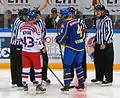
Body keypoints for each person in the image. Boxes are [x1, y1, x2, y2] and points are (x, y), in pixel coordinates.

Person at [55, 8, 85, 91]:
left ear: (64, 15)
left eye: (61, 14)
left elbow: (63, 36)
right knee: (78, 65)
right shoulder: (75, 21)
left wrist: (58, 40)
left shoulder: (65, 23)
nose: (60, 16)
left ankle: (67, 85)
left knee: (67, 66)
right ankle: (81, 83)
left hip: (72, 47)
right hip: (81, 47)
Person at [17, 11, 46, 91]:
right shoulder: (35, 27)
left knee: (25, 68)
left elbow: (19, 39)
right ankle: (39, 84)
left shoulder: (22, 26)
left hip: (25, 51)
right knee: (38, 68)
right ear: (33, 18)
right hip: (35, 52)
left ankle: (24, 84)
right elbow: (38, 40)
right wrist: (42, 48)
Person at [91, 4, 114, 86]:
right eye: (96, 11)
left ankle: (108, 79)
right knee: (97, 61)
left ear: (103, 11)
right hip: (98, 44)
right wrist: (95, 41)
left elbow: (110, 32)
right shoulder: (98, 20)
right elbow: (98, 32)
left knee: (107, 62)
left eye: (98, 11)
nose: (97, 12)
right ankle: (99, 77)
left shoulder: (107, 20)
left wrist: (104, 42)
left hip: (106, 45)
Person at [30, 9, 51, 84]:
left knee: (45, 59)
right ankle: (33, 78)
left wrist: (44, 41)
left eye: (39, 15)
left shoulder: (42, 22)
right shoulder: (31, 24)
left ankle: (44, 76)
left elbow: (44, 31)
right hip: (34, 45)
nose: (38, 16)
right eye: (36, 15)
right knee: (34, 61)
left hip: (42, 43)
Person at [68, 7, 88, 81]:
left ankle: (83, 76)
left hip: (80, 46)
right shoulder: (67, 22)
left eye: (70, 13)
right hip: (70, 46)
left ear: (73, 13)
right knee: (70, 62)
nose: (69, 14)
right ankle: (70, 76)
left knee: (82, 62)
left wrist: (81, 42)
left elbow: (85, 31)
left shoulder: (80, 21)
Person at [10, 9, 27, 87]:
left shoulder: (16, 20)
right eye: (25, 16)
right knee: (19, 64)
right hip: (18, 45)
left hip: (12, 45)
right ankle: (19, 81)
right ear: (21, 16)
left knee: (13, 63)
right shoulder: (22, 23)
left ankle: (14, 80)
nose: (26, 17)